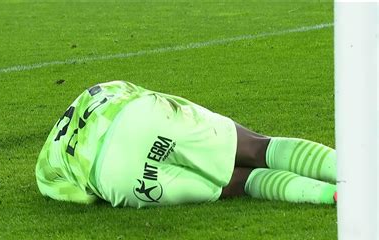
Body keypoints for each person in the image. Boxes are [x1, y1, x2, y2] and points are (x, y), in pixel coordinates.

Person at [35, 81, 337, 208]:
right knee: (259, 149)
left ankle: (332, 196)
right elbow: (154, 98)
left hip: (117, 176)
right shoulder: (103, 89)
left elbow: (85, 198)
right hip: (140, 116)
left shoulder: (45, 171)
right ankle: (355, 171)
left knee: (239, 183)